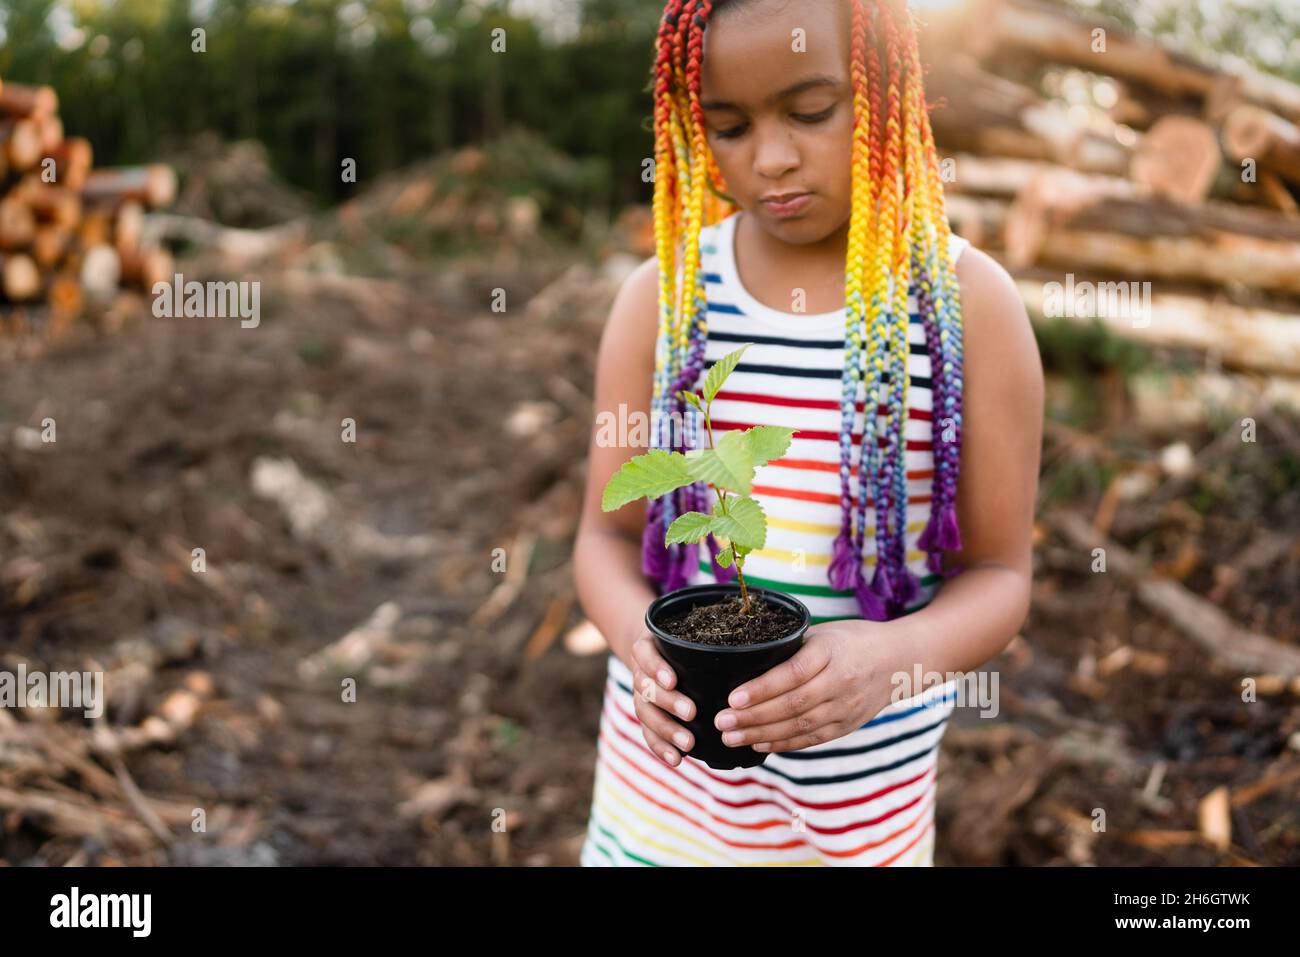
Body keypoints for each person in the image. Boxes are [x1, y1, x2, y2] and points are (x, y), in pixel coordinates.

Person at [572, 0, 1043, 866]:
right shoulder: (663, 300)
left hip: (857, 829)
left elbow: (1001, 574)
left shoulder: (967, 309)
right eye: (730, 126)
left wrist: (893, 657)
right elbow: (603, 536)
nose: (773, 158)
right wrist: (646, 650)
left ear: (888, 86)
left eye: (811, 110)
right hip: (660, 821)